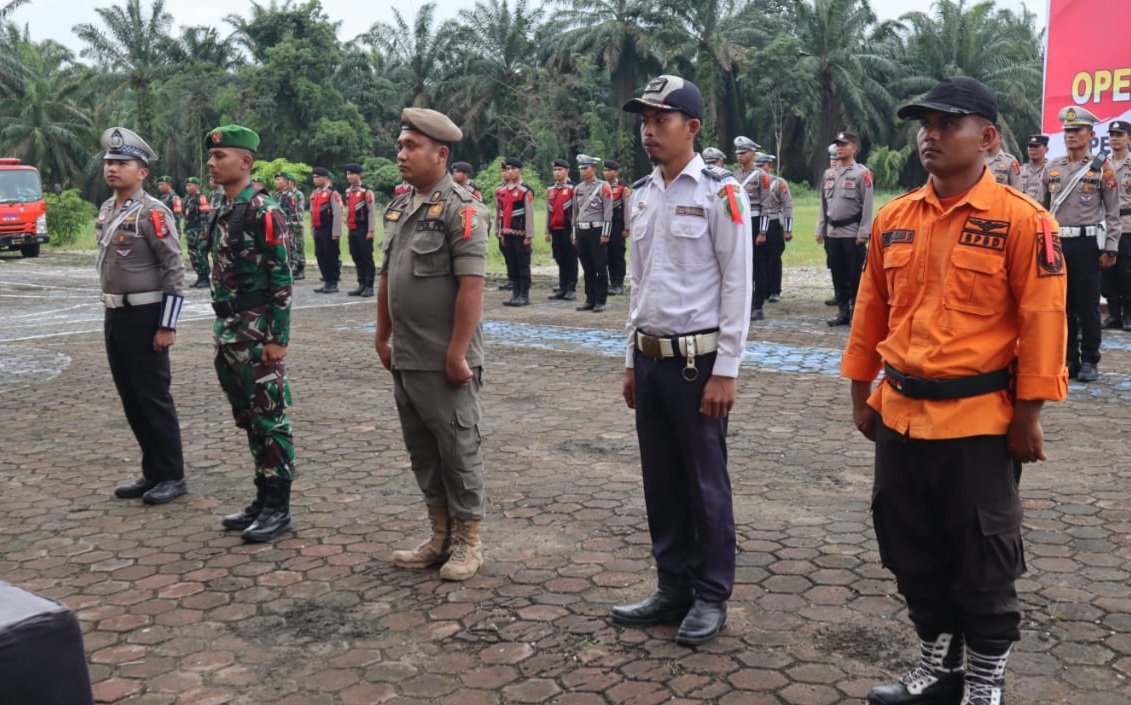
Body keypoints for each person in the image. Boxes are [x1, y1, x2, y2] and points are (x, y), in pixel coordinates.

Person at [841, 76, 1067, 705]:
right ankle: (938, 667)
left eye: (947, 124)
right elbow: (871, 311)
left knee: (984, 556)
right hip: (900, 415)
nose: (929, 136)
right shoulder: (895, 218)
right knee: (910, 545)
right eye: (925, 125)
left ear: (988, 138)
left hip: (978, 422)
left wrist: (1029, 415)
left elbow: (1044, 324)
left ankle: (985, 681)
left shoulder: (1025, 223)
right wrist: (861, 393)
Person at [613, 75, 752, 646]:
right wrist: (629, 359)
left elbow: (737, 285)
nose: (649, 130)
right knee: (662, 482)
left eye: (661, 119)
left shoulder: (722, 193)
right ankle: (673, 585)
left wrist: (727, 370)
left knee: (705, 484)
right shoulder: (641, 194)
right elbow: (637, 284)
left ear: (691, 127)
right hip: (650, 362)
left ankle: (712, 593)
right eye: (644, 120)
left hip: (699, 366)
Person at [377, 107, 490, 581]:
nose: (402, 154)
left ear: (440, 154)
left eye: (412, 147)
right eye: (401, 146)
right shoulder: (401, 207)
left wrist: (458, 352)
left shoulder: (463, 209)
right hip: (406, 354)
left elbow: (472, 287)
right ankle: (439, 534)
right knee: (422, 450)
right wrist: (381, 335)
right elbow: (386, 278)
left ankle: (469, 540)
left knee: (458, 448)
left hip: (446, 358)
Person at [205, 124, 297, 543]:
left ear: (245, 162)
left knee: (270, 420)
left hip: (258, 335)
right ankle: (261, 498)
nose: (212, 162)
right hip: (229, 332)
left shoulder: (265, 210)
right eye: (211, 156)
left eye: (220, 157)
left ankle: (279, 508)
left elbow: (281, 275)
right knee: (249, 421)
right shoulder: (223, 209)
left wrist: (278, 338)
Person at [96, 127, 188, 506]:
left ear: (143, 171)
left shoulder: (154, 212)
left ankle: (172, 475)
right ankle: (152, 471)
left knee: (153, 397)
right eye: (110, 163)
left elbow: (174, 269)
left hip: (147, 315)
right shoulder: (107, 208)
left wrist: (167, 325)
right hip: (115, 314)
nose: (113, 169)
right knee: (130, 397)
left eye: (122, 163)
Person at [1040, 106, 1121, 382]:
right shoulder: (1052, 168)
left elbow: (1112, 213)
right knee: (1062, 305)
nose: (1070, 135)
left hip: (1087, 246)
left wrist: (1110, 248)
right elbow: (1042, 210)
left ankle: (1089, 360)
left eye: (1076, 130)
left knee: (1087, 306)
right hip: (1058, 244)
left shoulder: (1103, 168)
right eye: (1067, 130)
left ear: (1089, 134)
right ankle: (1069, 359)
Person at [817, 131, 874, 326]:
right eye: (838, 145)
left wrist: (864, 232)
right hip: (833, 233)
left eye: (844, 144)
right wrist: (821, 228)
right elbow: (823, 204)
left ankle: (857, 311)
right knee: (837, 273)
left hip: (852, 232)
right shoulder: (829, 173)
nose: (839, 148)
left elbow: (867, 205)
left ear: (854, 148)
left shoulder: (861, 173)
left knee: (855, 274)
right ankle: (842, 311)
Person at [572, 154, 613, 312]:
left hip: (597, 230)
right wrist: (575, 234)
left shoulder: (603, 186)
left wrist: (606, 233)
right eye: (581, 168)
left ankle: (601, 300)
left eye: (586, 168)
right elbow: (575, 214)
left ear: (594, 169)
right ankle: (590, 298)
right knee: (587, 267)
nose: (583, 171)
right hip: (582, 231)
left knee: (600, 267)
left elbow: (608, 212)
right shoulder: (578, 189)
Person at [1101, 120, 1131, 331]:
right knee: (1107, 273)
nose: (1114, 138)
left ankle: (1128, 315)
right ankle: (1113, 314)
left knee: (1127, 273)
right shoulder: (1101, 165)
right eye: (1111, 135)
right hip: (1107, 226)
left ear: (1129, 138)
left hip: (1129, 225)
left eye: (1119, 134)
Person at [496, 157, 535, 306]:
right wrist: (500, 232)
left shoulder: (524, 191)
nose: (510, 172)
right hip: (507, 233)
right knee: (511, 264)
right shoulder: (501, 191)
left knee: (522, 264)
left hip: (520, 234)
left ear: (520, 171)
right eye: (507, 169)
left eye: (513, 169)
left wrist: (529, 234)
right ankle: (515, 294)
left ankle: (524, 295)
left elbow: (529, 213)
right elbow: (499, 212)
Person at [759, 154, 793, 304]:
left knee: (773, 258)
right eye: (758, 165)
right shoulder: (752, 182)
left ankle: (774, 290)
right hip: (758, 223)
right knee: (759, 259)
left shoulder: (778, 183)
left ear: (770, 166)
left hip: (773, 223)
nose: (761, 169)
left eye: (763, 165)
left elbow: (787, 206)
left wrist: (788, 229)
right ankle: (762, 289)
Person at [343, 163, 378, 297]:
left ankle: (369, 286)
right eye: (347, 174)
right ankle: (361, 284)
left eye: (351, 173)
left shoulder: (366, 191)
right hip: (353, 229)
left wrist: (371, 230)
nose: (349, 176)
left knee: (366, 257)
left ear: (359, 175)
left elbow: (372, 212)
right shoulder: (348, 191)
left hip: (364, 229)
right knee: (356, 255)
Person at [545, 158, 577, 300]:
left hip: (568, 229)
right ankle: (562, 286)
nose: (557, 173)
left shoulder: (573, 188)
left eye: (560, 170)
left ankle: (571, 288)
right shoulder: (551, 189)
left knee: (570, 259)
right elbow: (548, 211)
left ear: (567, 171)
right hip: (555, 229)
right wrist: (547, 230)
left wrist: (574, 231)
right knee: (559, 258)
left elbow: (577, 211)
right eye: (555, 170)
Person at [310, 166, 343, 293]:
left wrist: (336, 232)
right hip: (318, 229)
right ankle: (326, 281)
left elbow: (337, 213)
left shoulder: (332, 193)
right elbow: (312, 212)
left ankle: (333, 283)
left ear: (325, 178)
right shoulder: (315, 193)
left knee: (331, 256)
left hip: (328, 229)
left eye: (317, 177)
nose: (315, 179)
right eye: (314, 177)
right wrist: (312, 229)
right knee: (320, 255)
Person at [273, 172, 305, 281]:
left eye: (279, 180)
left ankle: (296, 269)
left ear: (287, 183)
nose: (276, 182)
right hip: (279, 228)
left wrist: (295, 225)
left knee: (294, 248)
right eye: (276, 180)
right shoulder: (277, 195)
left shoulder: (292, 195)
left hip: (289, 227)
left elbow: (294, 213)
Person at [605, 160, 631, 295]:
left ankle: (619, 283)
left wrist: (627, 227)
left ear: (616, 172)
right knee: (608, 255)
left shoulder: (622, 187)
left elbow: (627, 208)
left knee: (617, 254)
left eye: (609, 170)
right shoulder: (602, 186)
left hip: (618, 225)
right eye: (605, 170)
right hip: (605, 226)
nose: (606, 173)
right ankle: (612, 281)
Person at [182, 176, 213, 289]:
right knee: (193, 256)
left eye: (190, 185)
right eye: (187, 185)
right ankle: (199, 277)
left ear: (197, 186)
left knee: (201, 255)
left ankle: (205, 278)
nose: (188, 187)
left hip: (199, 231)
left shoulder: (201, 198)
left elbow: (205, 217)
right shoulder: (188, 199)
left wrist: (204, 233)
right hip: (190, 232)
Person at [1020, 134, 1049, 202]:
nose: (1032, 149)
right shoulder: (1020, 170)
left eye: (1036, 146)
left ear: (1046, 149)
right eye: (1030, 146)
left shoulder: (1051, 170)